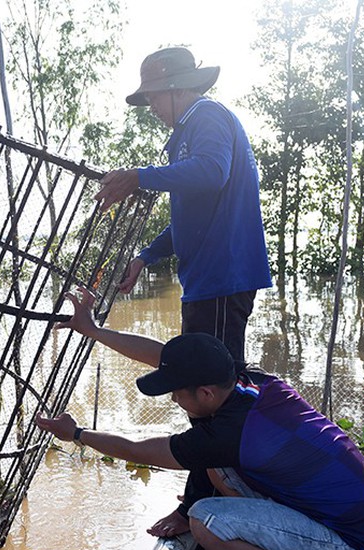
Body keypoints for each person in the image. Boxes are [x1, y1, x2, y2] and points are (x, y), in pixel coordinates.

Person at [35, 288, 364, 550]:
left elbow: (136, 449)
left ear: (204, 393)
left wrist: (77, 433)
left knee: (204, 518)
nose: (173, 400)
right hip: (353, 526)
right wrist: (94, 331)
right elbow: (165, 356)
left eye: (176, 393)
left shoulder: (229, 434)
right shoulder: (249, 379)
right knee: (218, 472)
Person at [93, 46, 272, 368]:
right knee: (199, 381)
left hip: (222, 275)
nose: (152, 107)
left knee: (214, 385)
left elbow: (213, 171)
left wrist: (138, 177)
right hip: (207, 279)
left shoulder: (207, 115)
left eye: (155, 97)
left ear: (176, 88)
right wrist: (146, 256)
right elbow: (194, 217)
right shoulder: (189, 131)